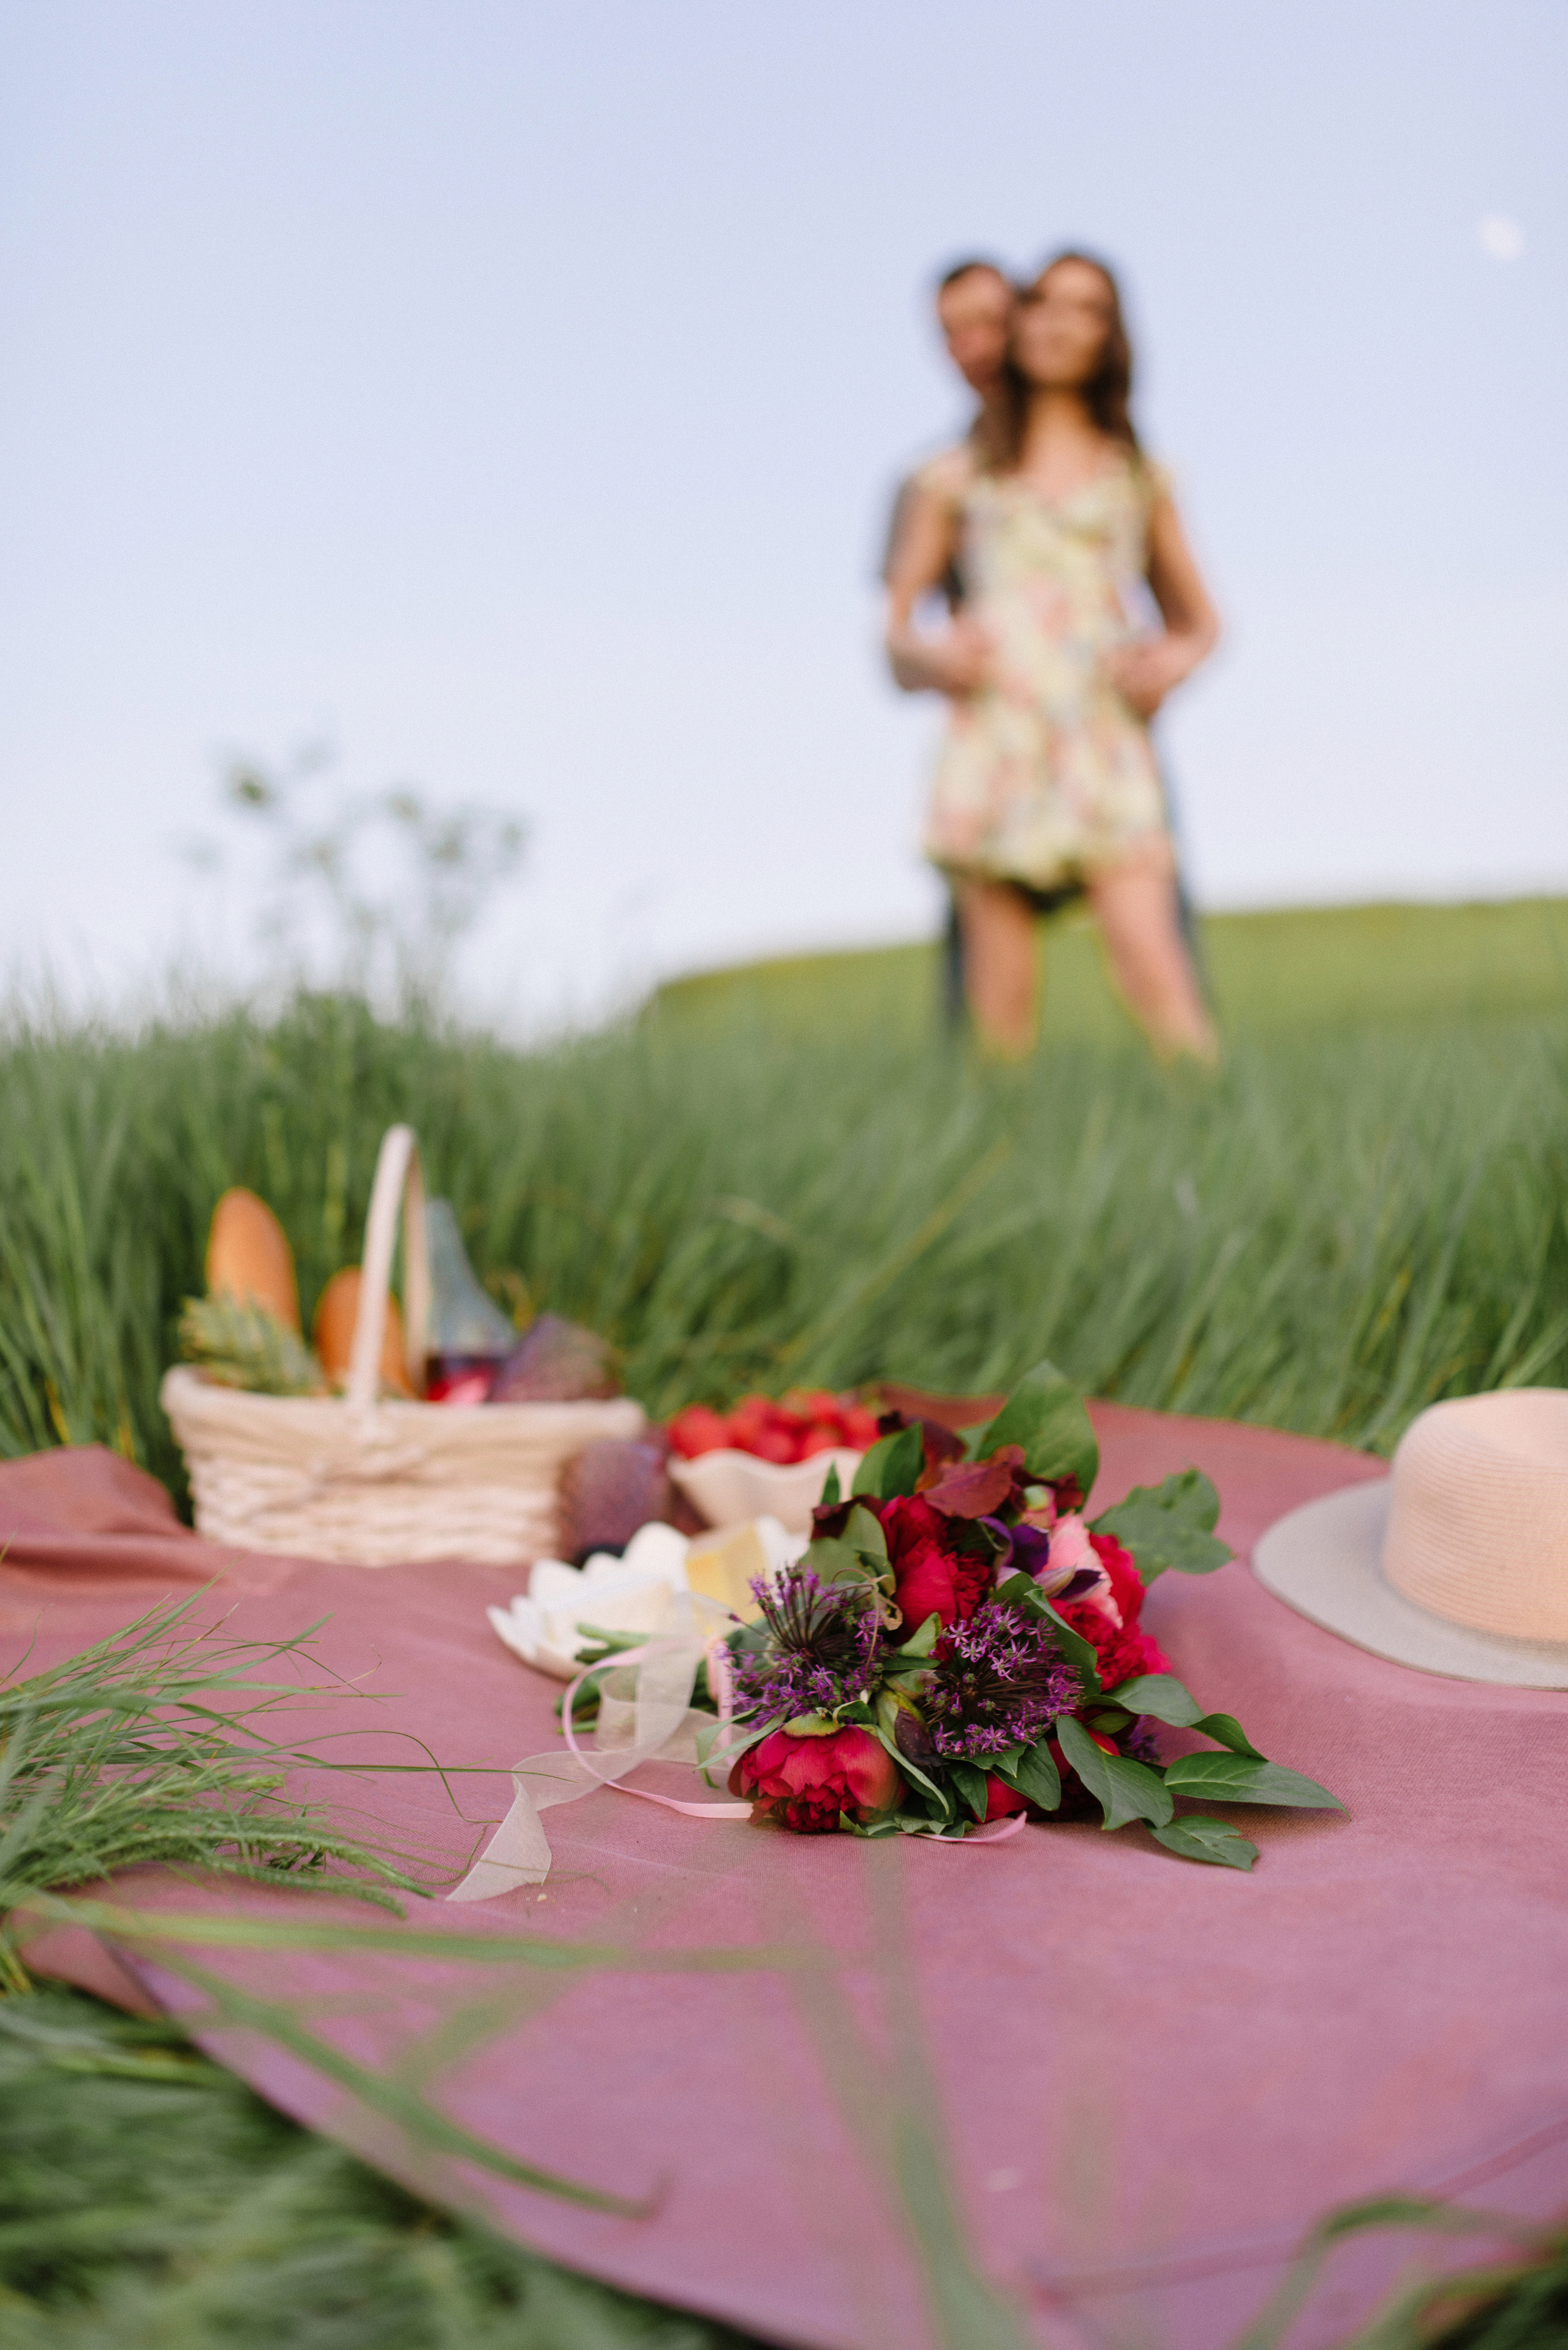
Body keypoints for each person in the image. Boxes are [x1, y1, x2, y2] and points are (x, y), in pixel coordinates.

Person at [885, 252, 1220, 1063]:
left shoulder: (1137, 476)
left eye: (1088, 308)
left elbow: (1201, 623)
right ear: (1022, 322)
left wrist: (1168, 662)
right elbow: (894, 635)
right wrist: (932, 656)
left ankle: (1217, 1125)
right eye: (1046, 304)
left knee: (1157, 972)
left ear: (1112, 335)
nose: (1063, 324)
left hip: (1103, 737)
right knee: (998, 1014)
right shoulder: (951, 479)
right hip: (996, 735)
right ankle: (997, 1140)